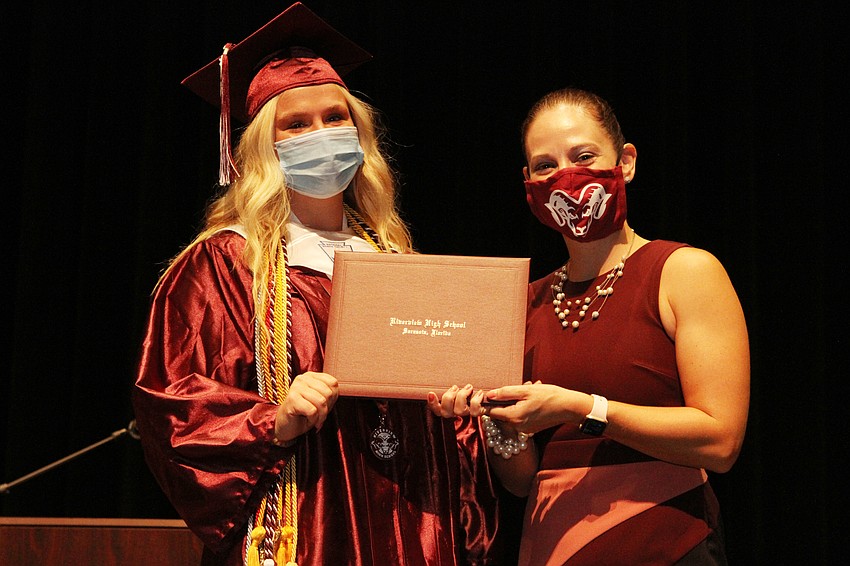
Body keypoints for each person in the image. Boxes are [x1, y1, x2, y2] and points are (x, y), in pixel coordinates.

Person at [132, 4, 502, 565]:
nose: (322, 135)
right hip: (308, 523)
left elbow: (449, 425)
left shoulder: (398, 261)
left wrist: (457, 411)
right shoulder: (226, 263)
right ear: (264, 145)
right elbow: (171, 406)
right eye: (297, 125)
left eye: (335, 117)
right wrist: (273, 419)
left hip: (409, 523)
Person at [428, 87, 750, 565]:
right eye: (545, 165)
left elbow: (720, 441)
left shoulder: (684, 271)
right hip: (554, 543)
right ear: (528, 183)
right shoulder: (523, 301)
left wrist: (583, 408)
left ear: (626, 162)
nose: (566, 176)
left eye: (583, 156)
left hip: (664, 540)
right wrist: (492, 418)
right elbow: (521, 480)